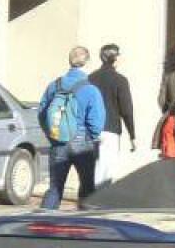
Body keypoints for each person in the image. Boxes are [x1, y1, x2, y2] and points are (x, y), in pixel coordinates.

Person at [38, 46, 105, 209]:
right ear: (87, 62)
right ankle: (84, 227)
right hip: (83, 143)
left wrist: (52, 134)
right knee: (88, 189)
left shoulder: (54, 86)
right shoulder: (91, 89)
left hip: (58, 141)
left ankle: (43, 225)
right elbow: (97, 123)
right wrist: (91, 136)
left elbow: (42, 113)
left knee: (55, 188)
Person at [88, 43, 137, 188]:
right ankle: (100, 204)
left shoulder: (90, 78)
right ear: (115, 58)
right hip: (111, 130)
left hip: (91, 129)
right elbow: (126, 110)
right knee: (107, 171)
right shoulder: (120, 80)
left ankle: (91, 201)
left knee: (94, 169)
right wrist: (132, 135)